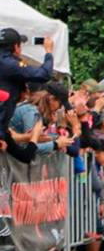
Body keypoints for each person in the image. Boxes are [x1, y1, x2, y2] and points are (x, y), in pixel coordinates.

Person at [0, 29, 54, 163]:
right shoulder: (9, 64)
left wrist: (33, 137)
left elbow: (26, 156)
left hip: (3, 129)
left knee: (23, 155)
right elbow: (44, 74)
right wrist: (48, 52)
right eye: (20, 45)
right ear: (16, 47)